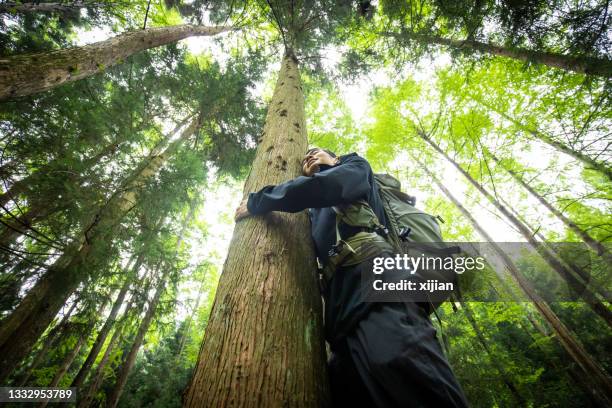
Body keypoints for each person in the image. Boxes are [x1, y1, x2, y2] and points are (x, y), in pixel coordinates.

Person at [235, 148, 469, 408]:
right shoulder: (314, 211)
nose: (309, 157)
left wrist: (261, 200)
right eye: (305, 158)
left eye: (317, 153)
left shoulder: (354, 167)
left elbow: (331, 184)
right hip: (340, 314)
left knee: (411, 377)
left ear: (336, 159)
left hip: (381, 283)